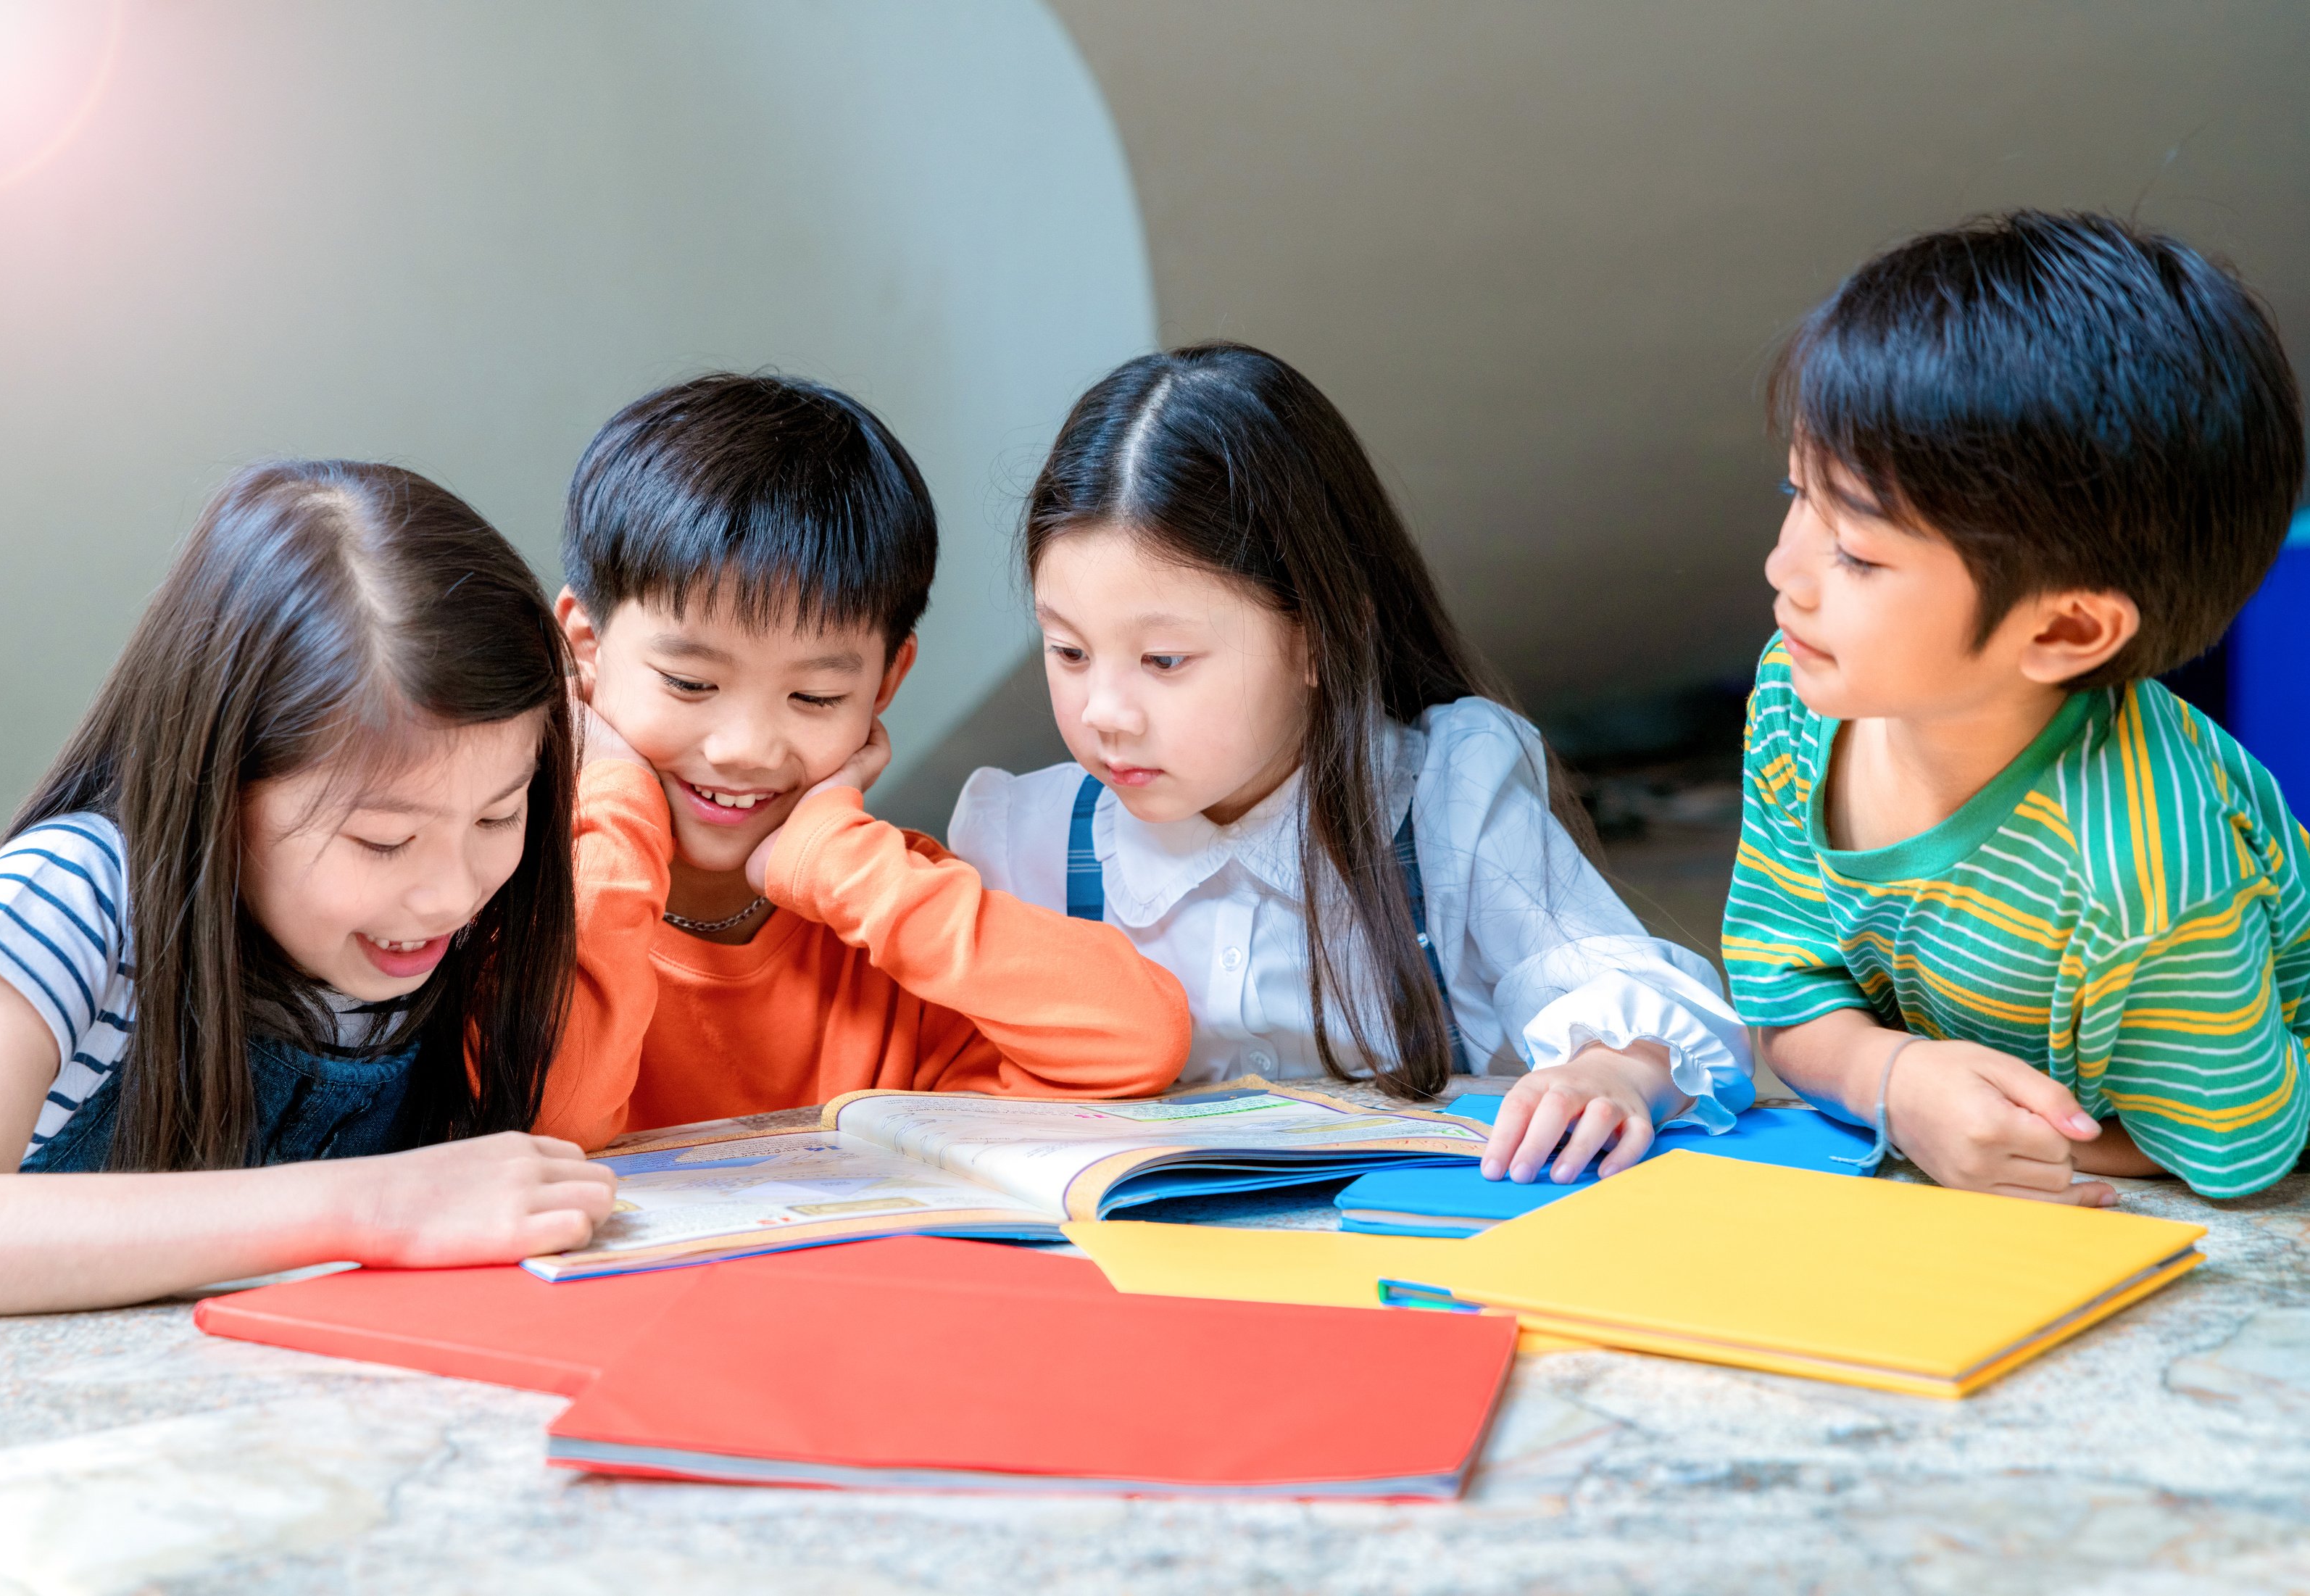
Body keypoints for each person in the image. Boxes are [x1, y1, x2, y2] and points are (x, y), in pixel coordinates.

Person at [948, 342, 1753, 1184]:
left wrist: (1610, 1073)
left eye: (1165, 661)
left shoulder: (1448, 795)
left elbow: (1632, 996)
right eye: (1069, 651)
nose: (1103, 713)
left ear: (1320, 639)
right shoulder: (1022, 840)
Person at [0, 461, 615, 1372]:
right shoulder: (78, 893)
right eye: (382, 841)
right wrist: (367, 1203)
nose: (450, 894)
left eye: (498, 815)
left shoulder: (445, 925)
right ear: (222, 785)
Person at [1724, 210, 2310, 1203]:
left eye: (1857, 554)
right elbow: (1782, 994)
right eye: (1795, 493)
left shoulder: (2143, 879)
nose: (1783, 571)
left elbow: (2242, 1152)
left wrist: (2011, 1140)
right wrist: (1893, 1080)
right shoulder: (1798, 694)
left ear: (2065, 632)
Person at [534, 374, 1190, 1148]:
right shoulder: (497, 895)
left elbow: (1138, 1042)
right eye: (691, 683)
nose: (744, 748)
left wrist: (845, 867)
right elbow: (560, 1122)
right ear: (585, 645)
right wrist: (614, 809)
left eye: (813, 697)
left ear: (884, 683)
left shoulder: (885, 907)